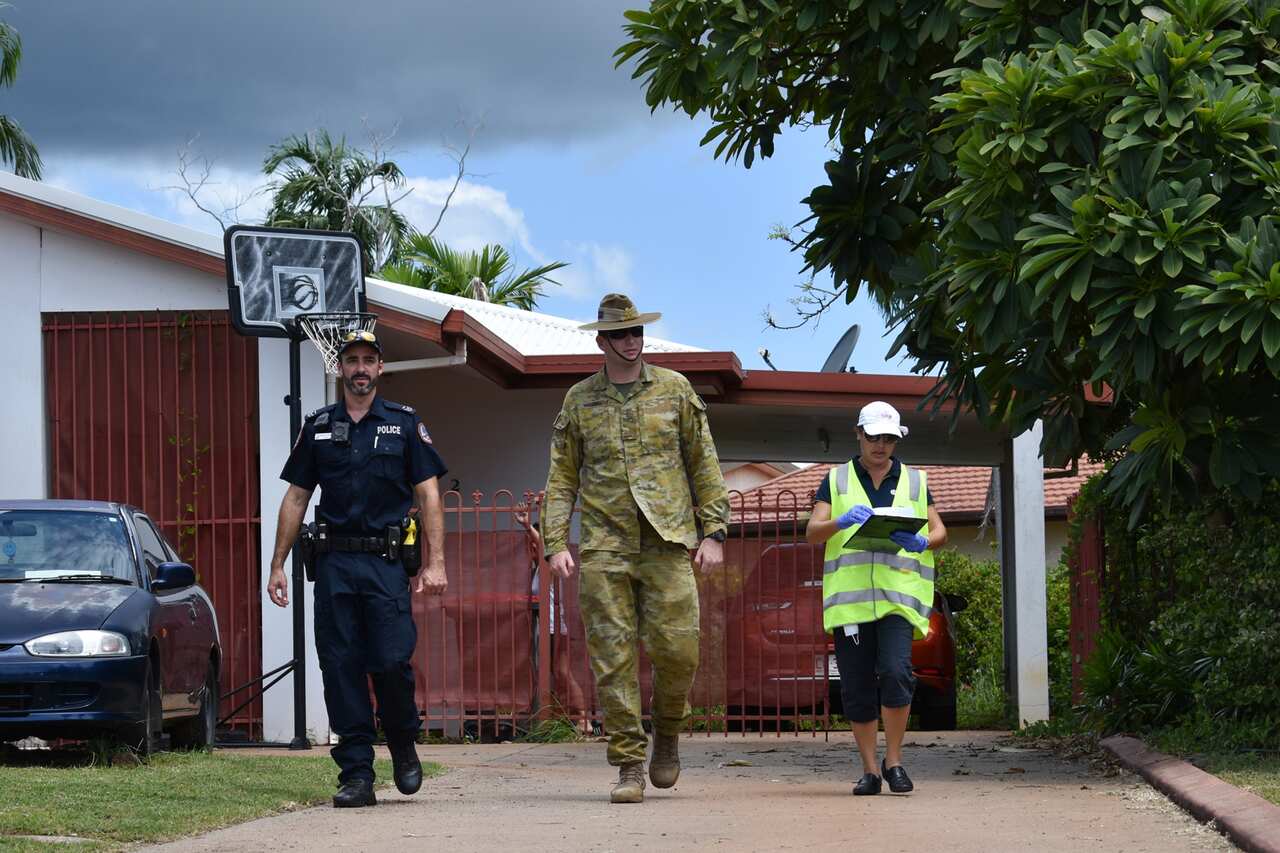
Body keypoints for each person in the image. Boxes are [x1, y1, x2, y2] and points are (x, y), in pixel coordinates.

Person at [542, 293, 730, 804]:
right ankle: (628, 764)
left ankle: (667, 732)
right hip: (605, 546)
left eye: (637, 332)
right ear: (601, 341)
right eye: (620, 335)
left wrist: (713, 531)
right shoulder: (579, 400)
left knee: (679, 652)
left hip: (668, 540)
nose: (631, 341)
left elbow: (703, 463)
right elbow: (562, 478)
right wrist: (555, 541)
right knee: (612, 659)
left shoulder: (675, 390)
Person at [267, 328, 448, 808]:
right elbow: (297, 496)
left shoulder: (404, 424)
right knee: (340, 666)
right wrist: (278, 564)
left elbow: (428, 493)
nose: (361, 368)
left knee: (390, 662)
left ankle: (404, 744)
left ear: (380, 368)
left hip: (386, 565)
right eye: (352, 360)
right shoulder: (319, 426)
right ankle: (356, 774)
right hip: (334, 566)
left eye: (369, 360)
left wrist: (436, 563)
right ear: (340, 368)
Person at [805, 400, 947, 796]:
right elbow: (812, 532)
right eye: (874, 437)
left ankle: (895, 761)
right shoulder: (835, 480)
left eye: (888, 438)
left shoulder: (915, 481)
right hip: (850, 604)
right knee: (855, 686)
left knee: (897, 673)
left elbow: (940, 532)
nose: (881, 445)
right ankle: (869, 770)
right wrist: (841, 521)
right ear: (858, 434)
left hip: (898, 600)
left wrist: (921, 542)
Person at [516, 509, 591, 733]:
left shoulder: (549, 560)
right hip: (546, 626)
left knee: (562, 672)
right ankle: (563, 718)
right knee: (553, 673)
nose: (530, 546)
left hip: (553, 626)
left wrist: (528, 527)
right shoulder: (539, 568)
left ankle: (583, 718)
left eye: (533, 541)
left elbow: (542, 546)